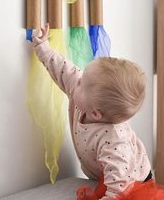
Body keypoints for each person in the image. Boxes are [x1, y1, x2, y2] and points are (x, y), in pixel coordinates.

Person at [30, 23, 152, 199]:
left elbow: (119, 188)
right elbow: (64, 71)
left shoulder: (115, 141)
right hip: (105, 175)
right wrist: (43, 47)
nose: (77, 79)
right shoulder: (86, 97)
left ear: (96, 113)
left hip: (132, 183)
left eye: (81, 83)